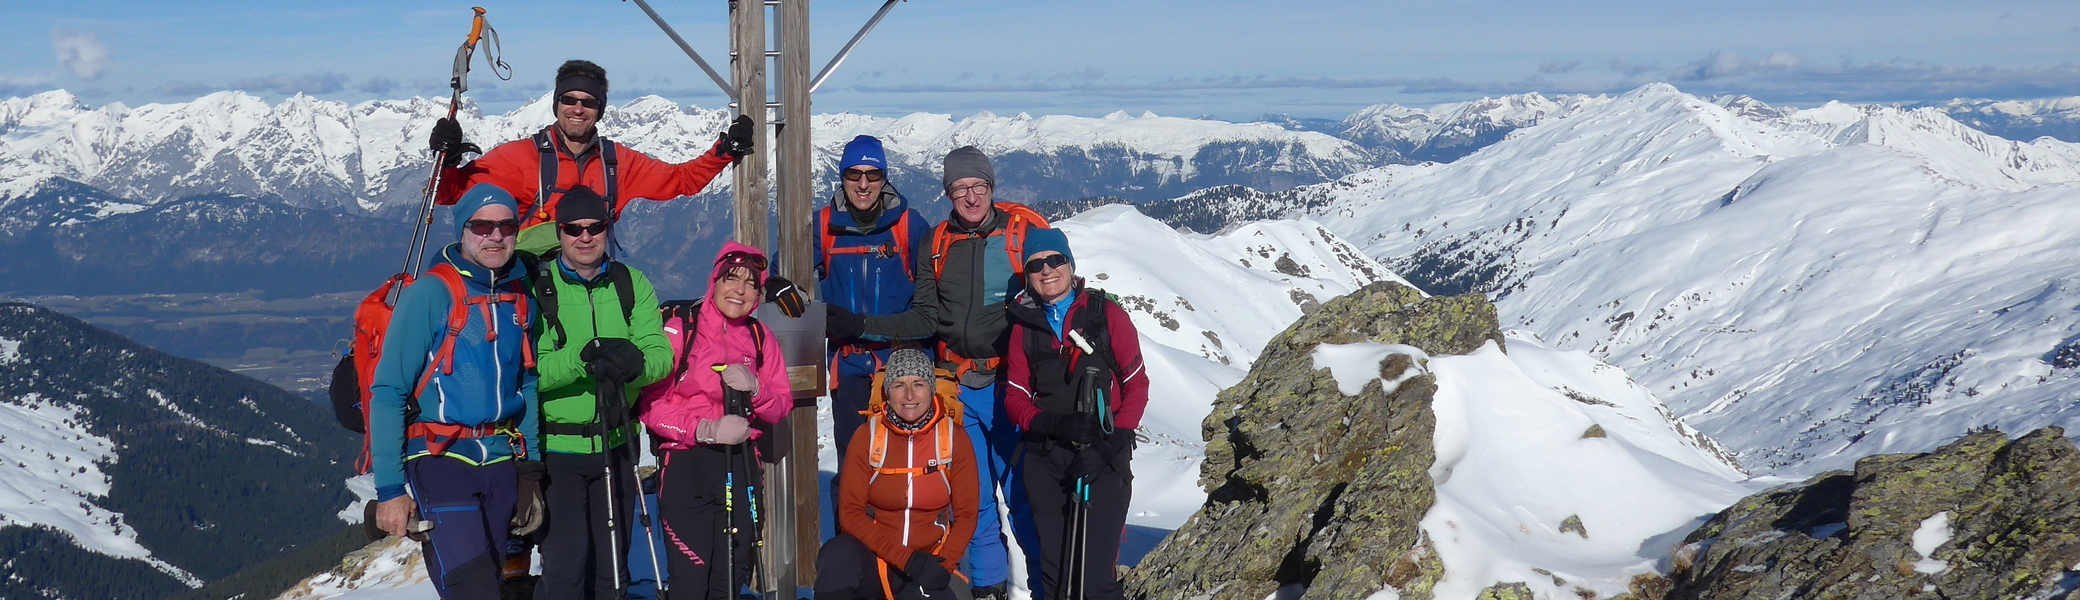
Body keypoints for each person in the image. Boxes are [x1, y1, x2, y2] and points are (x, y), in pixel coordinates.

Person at [826, 146, 1052, 600]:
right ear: (949, 193)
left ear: (991, 187)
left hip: (1010, 383)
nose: (970, 197)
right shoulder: (937, 242)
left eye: (978, 186)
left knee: (1026, 495)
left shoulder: (1020, 235)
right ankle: (990, 588)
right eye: (959, 188)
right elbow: (925, 318)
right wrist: (863, 327)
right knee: (977, 498)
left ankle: (1048, 586)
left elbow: (1051, 295)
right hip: (956, 383)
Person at [367, 184, 543, 600]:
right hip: (439, 459)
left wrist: (530, 470)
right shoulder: (430, 293)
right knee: (472, 586)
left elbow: (528, 383)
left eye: (506, 225)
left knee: (494, 582)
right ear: (463, 231)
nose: (496, 236)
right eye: (482, 225)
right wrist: (390, 491)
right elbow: (389, 390)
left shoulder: (520, 295)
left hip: (500, 457)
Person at [428, 59, 755, 254]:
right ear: (556, 103)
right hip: (529, 281)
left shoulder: (619, 164)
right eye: (569, 99)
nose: (578, 108)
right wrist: (447, 161)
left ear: (600, 110)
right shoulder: (518, 157)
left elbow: (681, 180)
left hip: (591, 278)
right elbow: (450, 194)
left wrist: (724, 152)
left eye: (589, 102)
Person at [528, 186, 673, 599]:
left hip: (617, 445)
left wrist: (635, 365)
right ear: (560, 233)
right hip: (559, 450)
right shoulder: (538, 289)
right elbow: (530, 372)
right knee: (565, 569)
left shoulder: (631, 283)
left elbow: (660, 352)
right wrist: (581, 359)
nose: (585, 236)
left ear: (607, 230)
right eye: (574, 228)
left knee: (613, 569)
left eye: (595, 227)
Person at [637, 242, 793, 599]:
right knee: (690, 581)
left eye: (750, 283)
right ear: (715, 281)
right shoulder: (681, 329)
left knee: (729, 579)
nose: (739, 290)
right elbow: (651, 405)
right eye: (731, 279)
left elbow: (780, 405)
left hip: (741, 465)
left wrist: (755, 389)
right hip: (685, 465)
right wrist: (705, 429)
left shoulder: (759, 337)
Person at [1002, 229, 1149, 600]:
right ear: (1027, 274)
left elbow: (1136, 385)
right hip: (1046, 460)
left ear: (1070, 265)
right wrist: (1051, 423)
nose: (1047, 270)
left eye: (1055, 260)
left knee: (1095, 579)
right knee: (1055, 578)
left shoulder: (1105, 315)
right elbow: (1015, 397)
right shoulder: (1025, 326)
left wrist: (1111, 443)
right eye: (1036, 264)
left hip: (1102, 459)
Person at [813, 348, 980, 600]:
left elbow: (967, 514)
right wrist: (907, 560)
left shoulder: (953, 438)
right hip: (876, 558)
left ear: (931, 389)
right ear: (887, 392)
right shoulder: (868, 437)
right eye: (899, 384)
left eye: (919, 384)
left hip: (931, 561)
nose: (910, 395)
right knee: (837, 555)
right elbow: (850, 513)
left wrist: (940, 566)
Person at [812, 135, 931, 474]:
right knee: (853, 463)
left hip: (901, 364)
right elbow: (784, 271)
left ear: (884, 178)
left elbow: (931, 293)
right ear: (841, 178)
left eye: (873, 174)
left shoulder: (909, 225)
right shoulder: (823, 226)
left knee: (905, 464)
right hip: (848, 366)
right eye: (853, 174)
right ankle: (849, 527)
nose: (863, 184)